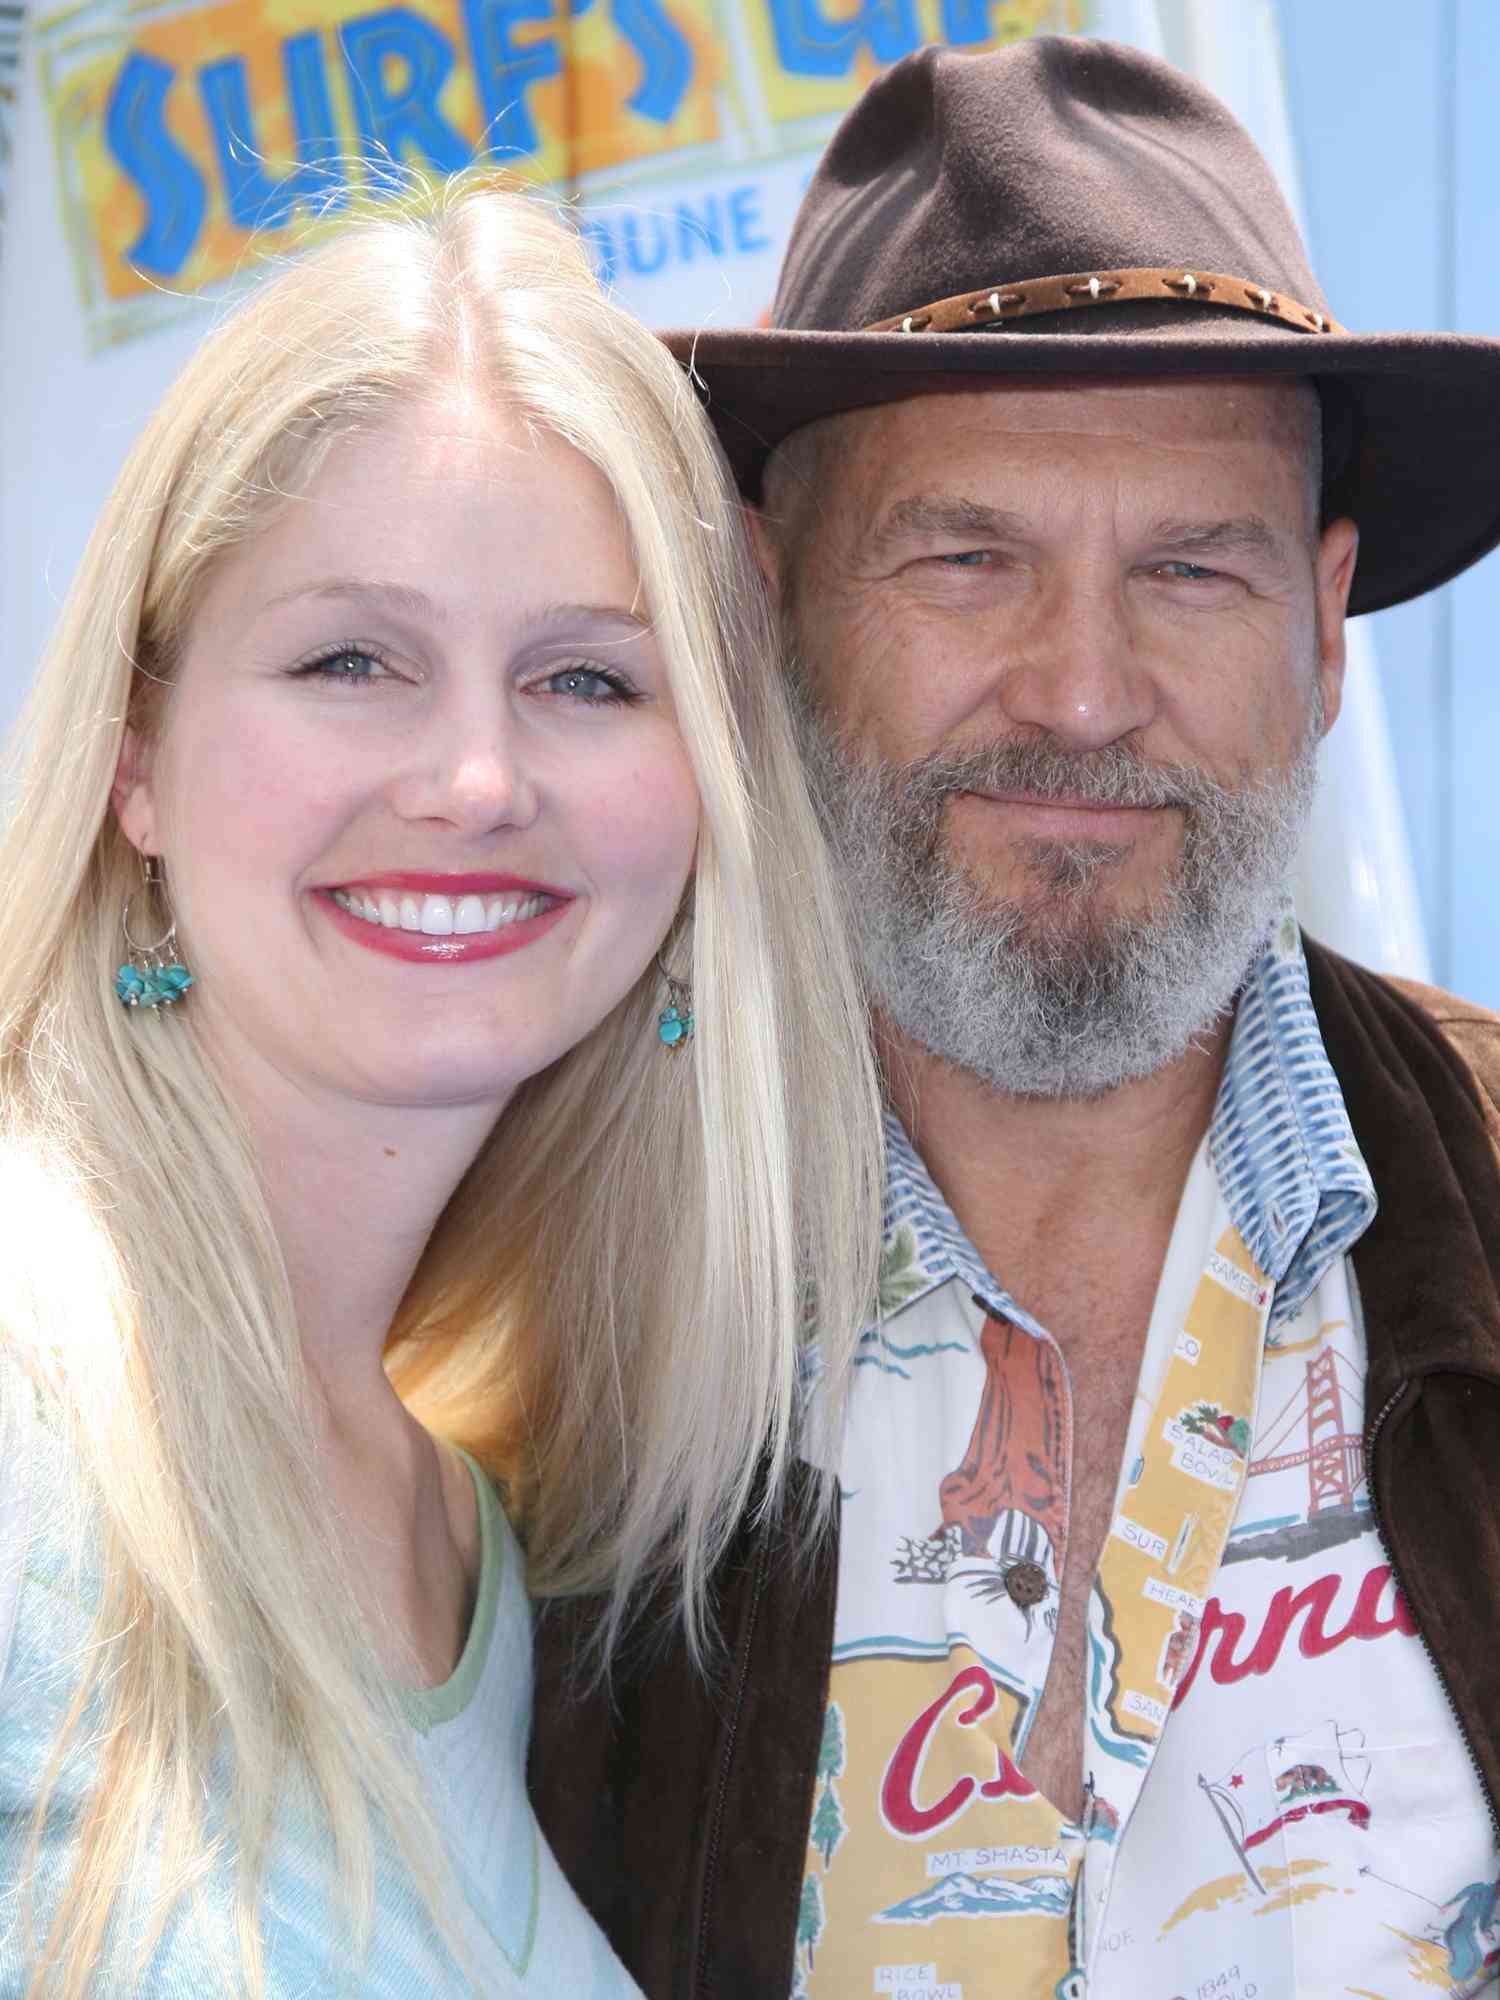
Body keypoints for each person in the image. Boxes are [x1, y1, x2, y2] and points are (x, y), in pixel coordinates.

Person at [529, 36, 1500, 2000]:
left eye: (1192, 568)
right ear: (762, 597)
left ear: (1322, 634)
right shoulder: (526, 1303)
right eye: (967, 554)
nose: (1079, 688)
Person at [0, 182, 881, 1997]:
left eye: (584, 677)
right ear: (139, 757)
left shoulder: (472, 1538)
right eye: (351, 661)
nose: (478, 779)